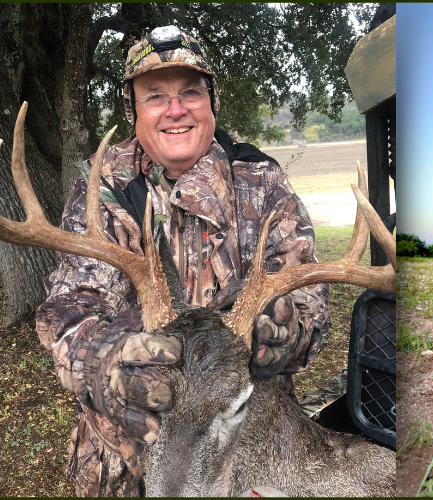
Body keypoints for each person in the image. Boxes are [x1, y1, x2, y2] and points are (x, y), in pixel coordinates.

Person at [33, 26, 328, 495]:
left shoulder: (262, 182)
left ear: (211, 102)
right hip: (130, 456)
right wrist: (109, 362)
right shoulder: (102, 189)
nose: (176, 110)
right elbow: (68, 312)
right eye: (155, 96)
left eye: (190, 92)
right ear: (133, 110)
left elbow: (309, 300)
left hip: (243, 445)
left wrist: (285, 329)